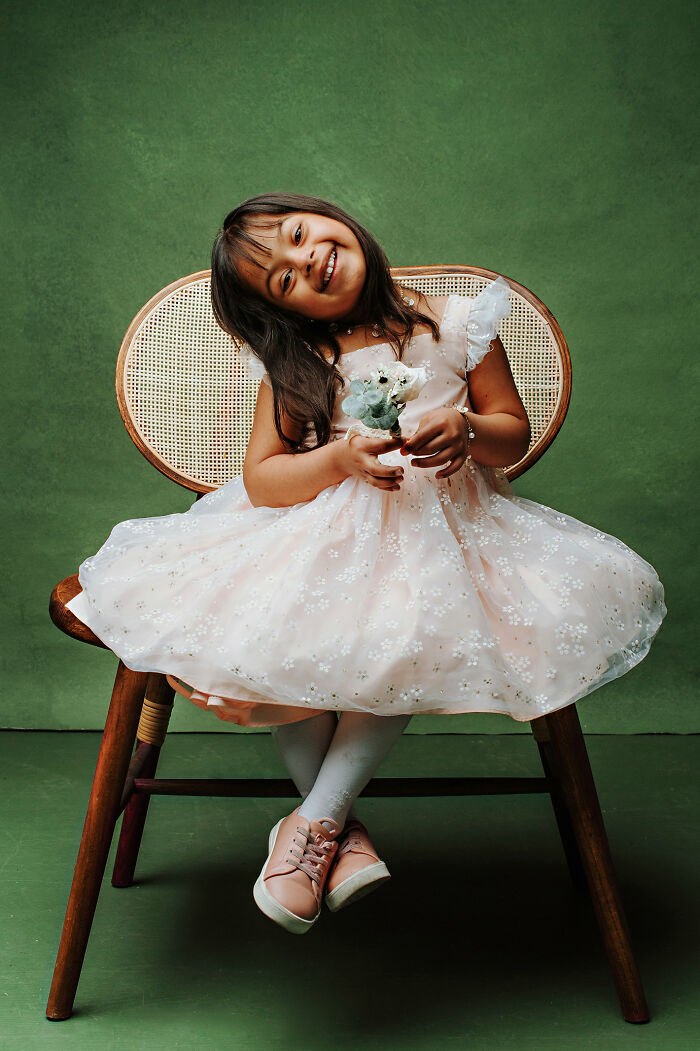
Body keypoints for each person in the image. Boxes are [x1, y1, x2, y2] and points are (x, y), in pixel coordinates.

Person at [66, 192, 666, 935]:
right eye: (281, 279)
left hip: (447, 538)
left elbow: (512, 433)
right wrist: (338, 457)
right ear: (282, 313)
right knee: (277, 627)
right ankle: (331, 833)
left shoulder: (455, 322)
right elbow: (262, 479)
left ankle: (314, 821)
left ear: (329, 216)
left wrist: (470, 428)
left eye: (297, 235)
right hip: (323, 540)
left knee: (411, 624)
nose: (305, 259)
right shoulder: (303, 360)